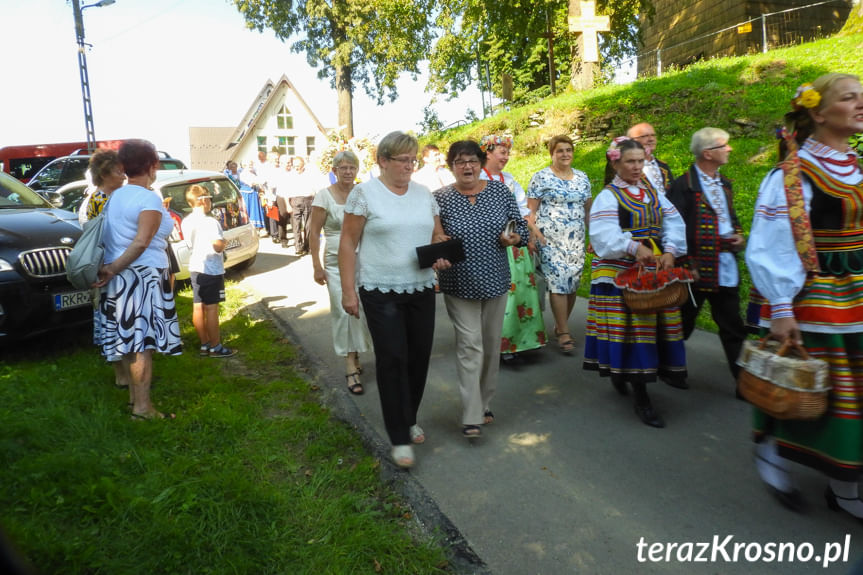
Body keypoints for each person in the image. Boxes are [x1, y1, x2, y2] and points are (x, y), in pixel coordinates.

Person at [745, 73, 863, 518]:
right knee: (802, 384)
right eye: (849, 98)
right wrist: (779, 307)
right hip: (818, 300)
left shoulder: (856, 166)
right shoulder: (793, 175)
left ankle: (845, 483)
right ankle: (772, 454)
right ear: (817, 113)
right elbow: (774, 242)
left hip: (858, 295)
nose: (860, 104)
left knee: (852, 393)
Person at [339, 131, 450, 469]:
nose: (409, 165)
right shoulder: (364, 194)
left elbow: (436, 234)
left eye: (412, 159)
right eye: (402, 159)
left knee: (418, 357)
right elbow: (347, 243)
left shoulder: (423, 194)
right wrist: (348, 290)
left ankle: (409, 416)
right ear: (382, 161)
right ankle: (399, 436)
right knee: (392, 359)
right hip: (379, 289)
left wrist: (441, 253)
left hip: (419, 286)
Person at [583, 137, 688, 428]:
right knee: (634, 331)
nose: (637, 167)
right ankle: (641, 397)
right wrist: (633, 248)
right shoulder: (608, 196)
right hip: (618, 274)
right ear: (615, 162)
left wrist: (669, 251)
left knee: (651, 328)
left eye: (641, 161)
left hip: (650, 270)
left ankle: (631, 376)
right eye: (630, 161)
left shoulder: (652, 193)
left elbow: (673, 222)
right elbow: (603, 236)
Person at [435, 140, 528, 437]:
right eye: (460, 161)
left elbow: (521, 229)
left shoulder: (500, 192)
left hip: (495, 280)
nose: (467, 166)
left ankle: (484, 401)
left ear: (480, 162)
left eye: (472, 160)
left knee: (490, 345)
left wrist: (513, 238)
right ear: (451, 167)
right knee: (469, 346)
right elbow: (432, 237)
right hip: (458, 283)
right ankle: (471, 414)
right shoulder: (439, 199)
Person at [94, 139, 182, 420]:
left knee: (131, 341)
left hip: (122, 278)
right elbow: (142, 242)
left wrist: (112, 269)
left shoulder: (116, 196)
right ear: (152, 165)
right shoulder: (147, 199)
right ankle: (144, 409)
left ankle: (135, 401)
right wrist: (114, 268)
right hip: (140, 276)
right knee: (142, 343)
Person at [667, 128, 746, 393]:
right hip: (696, 268)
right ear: (708, 153)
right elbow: (674, 228)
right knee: (683, 321)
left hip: (724, 265)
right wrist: (687, 263)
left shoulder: (725, 183)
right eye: (725, 145)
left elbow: (731, 218)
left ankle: (744, 383)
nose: (730, 149)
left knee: (732, 324)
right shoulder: (683, 186)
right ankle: (670, 369)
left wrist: (738, 235)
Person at [479, 134, 546, 365]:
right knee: (501, 297)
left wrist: (531, 236)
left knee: (520, 295)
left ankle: (523, 341)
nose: (506, 157)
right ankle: (501, 345)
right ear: (487, 152)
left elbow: (524, 211)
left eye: (507, 153)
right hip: (492, 247)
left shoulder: (509, 180)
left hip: (514, 244)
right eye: (501, 152)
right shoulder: (478, 178)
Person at [309, 150, 372, 394]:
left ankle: (355, 354)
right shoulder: (324, 196)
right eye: (342, 168)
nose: (347, 172)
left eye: (351, 167)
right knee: (343, 310)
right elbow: (314, 232)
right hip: (335, 262)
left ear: (357, 170)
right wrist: (316, 265)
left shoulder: (363, 194)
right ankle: (349, 366)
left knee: (360, 310)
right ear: (334, 171)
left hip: (362, 260)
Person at [526, 135, 592, 354]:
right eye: (560, 151)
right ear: (552, 154)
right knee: (558, 281)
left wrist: (593, 237)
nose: (565, 154)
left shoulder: (582, 177)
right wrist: (533, 236)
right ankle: (563, 331)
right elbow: (530, 212)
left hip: (576, 240)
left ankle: (560, 324)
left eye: (569, 150)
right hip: (550, 239)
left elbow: (588, 210)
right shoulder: (541, 177)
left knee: (572, 282)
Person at [181, 184, 236, 359]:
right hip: (211, 269)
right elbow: (217, 246)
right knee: (212, 308)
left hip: (195, 267)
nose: (211, 202)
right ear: (202, 201)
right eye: (209, 199)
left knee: (198, 306)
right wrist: (225, 242)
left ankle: (204, 343)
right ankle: (216, 346)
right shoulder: (210, 221)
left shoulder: (186, 220)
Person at [78, 149, 125, 225]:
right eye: (119, 172)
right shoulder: (99, 199)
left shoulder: (101, 197)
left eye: (124, 172)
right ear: (104, 175)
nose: (124, 177)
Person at [627, 123, 674, 194]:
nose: (651, 139)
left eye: (653, 135)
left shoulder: (663, 166)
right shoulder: (626, 168)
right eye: (645, 136)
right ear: (632, 141)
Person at [286, 156, 317, 256]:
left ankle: (308, 246)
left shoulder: (310, 174)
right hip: (295, 201)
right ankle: (298, 247)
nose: (296, 168)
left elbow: (315, 188)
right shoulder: (290, 176)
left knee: (309, 225)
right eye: (294, 166)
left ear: (303, 165)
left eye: (298, 166)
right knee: (296, 225)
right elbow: (285, 192)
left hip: (308, 200)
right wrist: (288, 205)